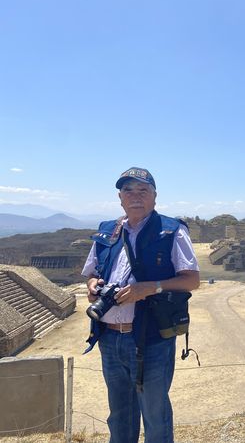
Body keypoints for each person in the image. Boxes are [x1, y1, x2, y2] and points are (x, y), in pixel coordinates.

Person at [82, 167, 200, 443]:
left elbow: (192, 280)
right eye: (128, 191)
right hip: (109, 337)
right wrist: (91, 285)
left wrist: (151, 288)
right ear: (120, 198)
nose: (135, 196)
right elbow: (92, 272)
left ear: (154, 197)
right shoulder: (107, 231)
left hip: (150, 339)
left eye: (143, 191)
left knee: (155, 415)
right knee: (119, 415)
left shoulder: (171, 230)